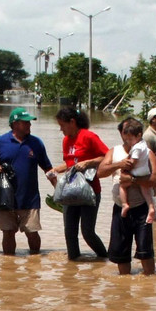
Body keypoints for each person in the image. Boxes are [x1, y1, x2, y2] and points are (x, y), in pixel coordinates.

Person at [0, 107, 57, 255]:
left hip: (30, 198)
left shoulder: (36, 143)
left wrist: (58, 189)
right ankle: (9, 266)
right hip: (5, 198)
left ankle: (35, 262)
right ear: (15, 124)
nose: (30, 125)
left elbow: (47, 168)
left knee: (32, 232)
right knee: (8, 233)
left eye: (29, 122)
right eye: (26, 122)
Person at [98, 117, 156, 275]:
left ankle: (149, 283)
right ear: (121, 133)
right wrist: (119, 164)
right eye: (125, 132)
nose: (127, 136)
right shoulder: (114, 152)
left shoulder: (147, 152)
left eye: (130, 132)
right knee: (121, 255)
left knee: (145, 252)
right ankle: (124, 287)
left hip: (141, 208)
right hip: (120, 208)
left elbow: (155, 179)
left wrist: (132, 180)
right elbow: (100, 172)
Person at [51, 106, 109, 260]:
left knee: (87, 232)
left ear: (72, 122)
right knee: (69, 231)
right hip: (70, 191)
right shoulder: (66, 141)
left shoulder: (89, 136)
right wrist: (56, 170)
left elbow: (107, 156)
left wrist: (88, 162)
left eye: (62, 125)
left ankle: (105, 258)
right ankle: (73, 264)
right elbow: (71, 164)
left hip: (90, 191)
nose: (61, 129)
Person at [117, 119, 156, 224]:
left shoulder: (136, 148)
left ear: (139, 136)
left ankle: (125, 204)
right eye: (127, 140)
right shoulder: (144, 144)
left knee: (122, 185)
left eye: (130, 139)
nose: (128, 142)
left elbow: (132, 163)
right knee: (145, 190)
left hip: (136, 172)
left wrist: (124, 167)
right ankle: (151, 206)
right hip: (145, 172)